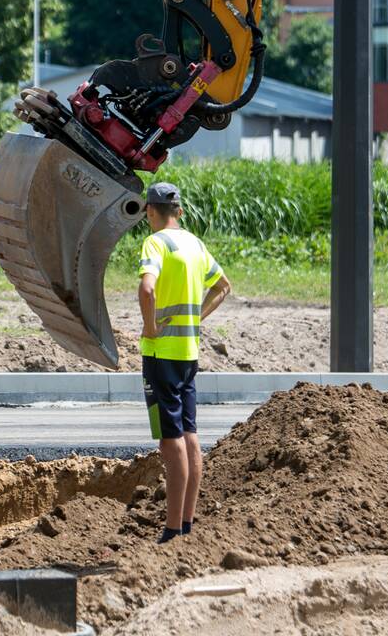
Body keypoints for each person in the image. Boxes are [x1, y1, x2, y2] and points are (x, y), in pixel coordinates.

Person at [138, 183, 232, 544]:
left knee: (170, 440)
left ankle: (172, 529)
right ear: (177, 210)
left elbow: (147, 289)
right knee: (191, 435)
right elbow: (223, 285)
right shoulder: (195, 244)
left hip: (161, 355)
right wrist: (197, 319)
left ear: (150, 211)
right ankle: (188, 524)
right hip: (189, 353)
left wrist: (150, 328)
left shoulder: (156, 243)